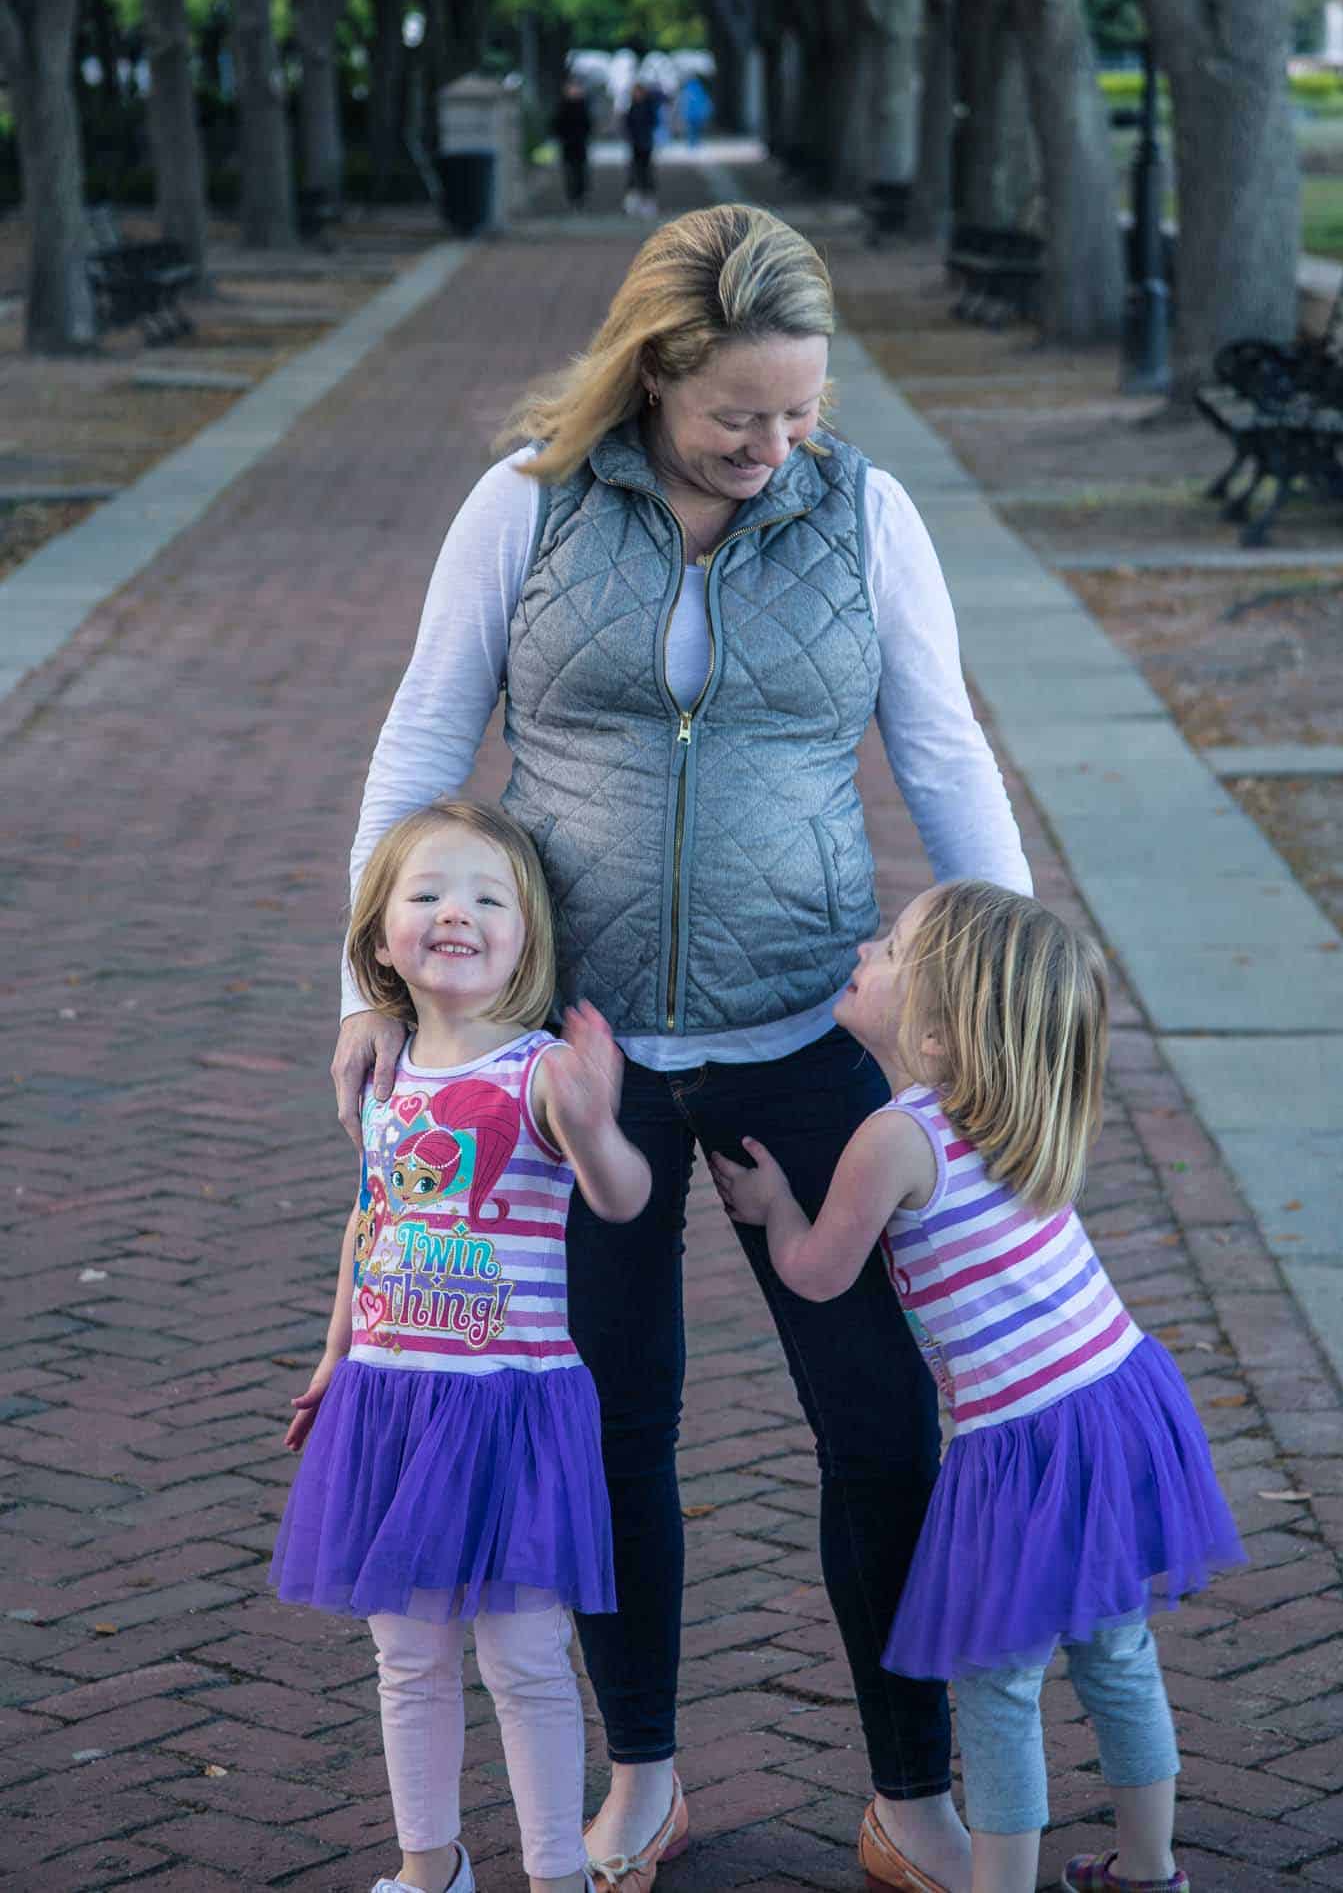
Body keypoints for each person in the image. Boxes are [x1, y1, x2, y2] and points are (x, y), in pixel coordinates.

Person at [331, 203, 1034, 1893]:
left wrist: (1012, 1009)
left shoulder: (865, 511)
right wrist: (359, 985)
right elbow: (427, 730)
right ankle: (637, 1770)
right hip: (575, 1053)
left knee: (878, 1424)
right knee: (608, 1422)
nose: (774, 444)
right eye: (738, 413)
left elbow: (941, 747)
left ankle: (910, 1785)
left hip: (804, 1029)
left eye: (801, 409)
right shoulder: (526, 506)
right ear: (651, 374)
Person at [710, 881, 1245, 1893]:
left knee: (998, 1682)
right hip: (1118, 1398)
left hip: (1025, 1439)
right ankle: (1147, 1867)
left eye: (893, 949)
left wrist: (778, 1203)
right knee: (1115, 1650)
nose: (865, 948)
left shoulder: (896, 1136)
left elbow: (819, 1272)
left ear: (943, 1034)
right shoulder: (1014, 1112)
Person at [276, 799, 651, 1893]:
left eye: (489, 897)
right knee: (408, 1656)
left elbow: (620, 1197)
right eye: (428, 893)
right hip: (390, 1402)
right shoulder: (386, 1075)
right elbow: (370, 1221)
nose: (457, 913)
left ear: (524, 935)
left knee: (525, 1657)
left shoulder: (537, 1072)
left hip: (509, 1407)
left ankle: (554, 1873)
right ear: (380, 935)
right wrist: (334, 1353)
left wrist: (594, 1122)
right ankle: (427, 1866)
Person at [552, 77, 592, 211]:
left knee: (580, 171)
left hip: (580, 144)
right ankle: (572, 196)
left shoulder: (583, 105)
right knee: (569, 171)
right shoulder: (562, 106)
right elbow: (556, 124)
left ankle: (580, 196)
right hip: (568, 145)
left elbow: (588, 124)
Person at [622, 81, 658, 217]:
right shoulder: (632, 107)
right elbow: (627, 125)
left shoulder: (648, 107)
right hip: (635, 145)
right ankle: (632, 202)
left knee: (646, 173)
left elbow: (653, 122)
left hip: (646, 144)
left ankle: (648, 202)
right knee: (633, 172)